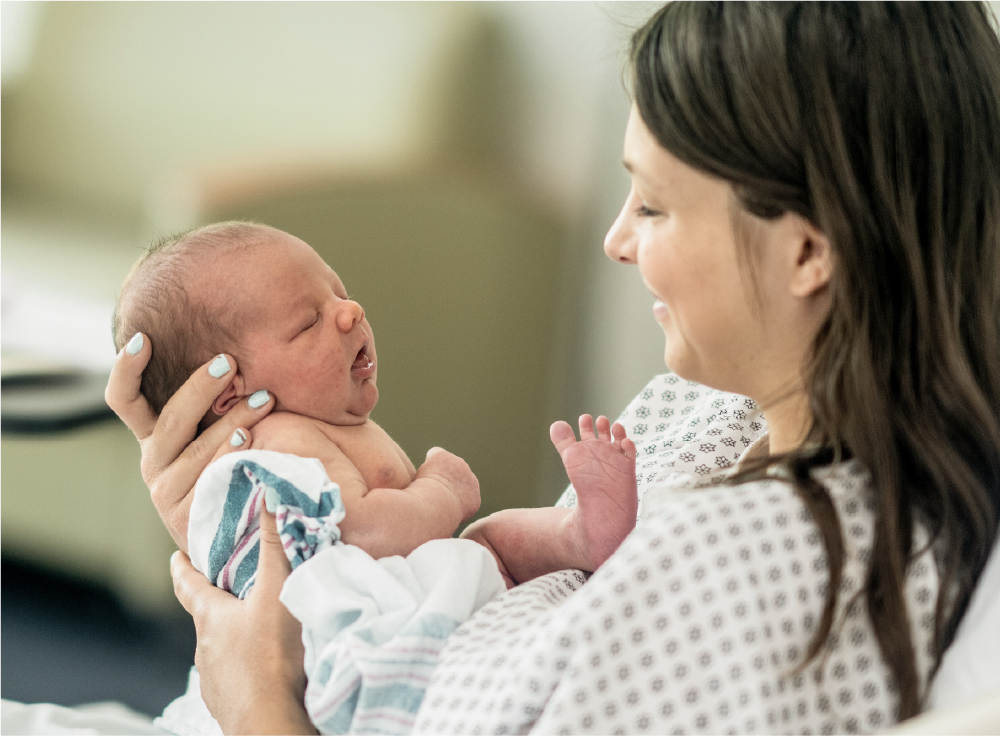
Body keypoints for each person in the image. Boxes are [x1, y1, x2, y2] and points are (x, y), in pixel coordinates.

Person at [105, 1, 1000, 733]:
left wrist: (258, 702)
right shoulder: (719, 411)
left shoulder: (751, 572)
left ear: (809, 251)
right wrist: (226, 516)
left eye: (653, 205)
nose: (616, 240)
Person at [112, 221, 639, 588]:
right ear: (229, 392)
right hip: (388, 624)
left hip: (422, 583)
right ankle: (578, 538)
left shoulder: (310, 429)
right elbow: (363, 534)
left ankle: (580, 536)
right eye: (308, 321)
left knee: (489, 539)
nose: (350, 311)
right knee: (482, 540)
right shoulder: (275, 445)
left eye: (339, 293)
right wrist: (443, 492)